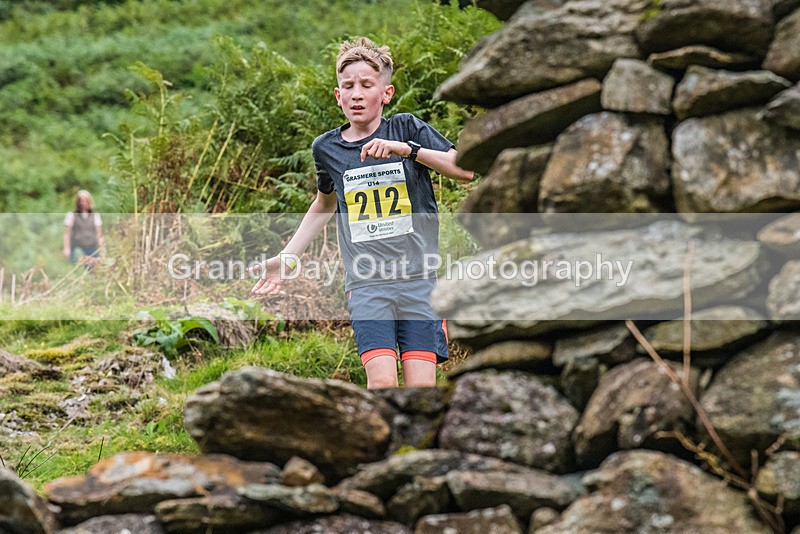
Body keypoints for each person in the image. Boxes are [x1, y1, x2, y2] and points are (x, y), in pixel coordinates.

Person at [251, 37, 473, 389]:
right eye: (348, 86)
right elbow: (324, 205)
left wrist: (407, 151)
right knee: (382, 388)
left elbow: (464, 169)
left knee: (421, 394)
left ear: (385, 93)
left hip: (419, 280)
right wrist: (287, 257)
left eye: (366, 85)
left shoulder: (406, 129)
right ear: (337, 96)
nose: (356, 94)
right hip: (368, 284)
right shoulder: (327, 148)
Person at [63, 190, 105, 265]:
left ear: (89, 202)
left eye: (86, 200)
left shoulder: (95, 216)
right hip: (76, 248)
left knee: (93, 270)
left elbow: (99, 235)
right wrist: (66, 248)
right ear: (77, 202)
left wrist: (102, 248)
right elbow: (67, 234)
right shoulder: (71, 215)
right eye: (81, 201)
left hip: (91, 248)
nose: (83, 203)